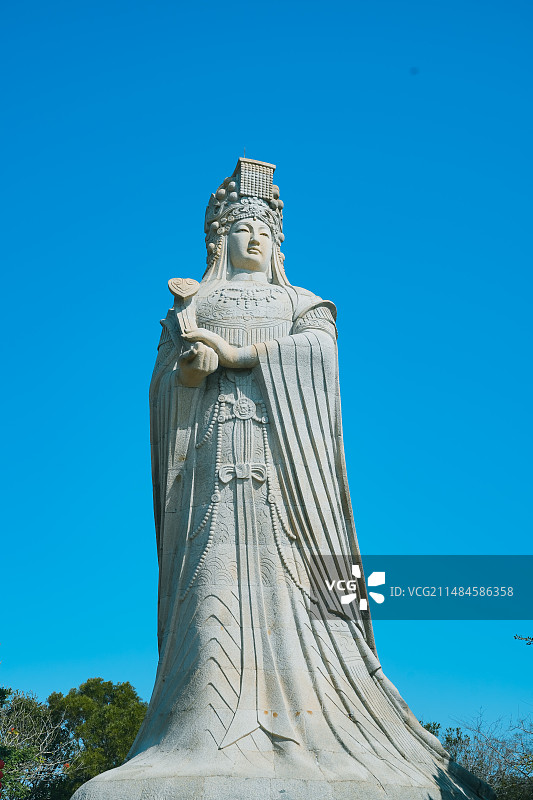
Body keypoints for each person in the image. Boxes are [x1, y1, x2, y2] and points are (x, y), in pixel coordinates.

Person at [72, 159, 493, 799]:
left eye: (264, 227)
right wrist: (188, 370)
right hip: (213, 464)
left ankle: (318, 726)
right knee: (213, 587)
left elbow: (319, 359)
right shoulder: (192, 303)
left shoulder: (302, 303)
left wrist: (239, 354)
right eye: (241, 227)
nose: (255, 237)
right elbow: (164, 390)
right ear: (217, 239)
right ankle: (199, 733)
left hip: (288, 478)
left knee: (302, 592)